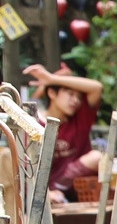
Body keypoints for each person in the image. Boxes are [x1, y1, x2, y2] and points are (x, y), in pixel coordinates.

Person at [25, 63, 104, 200]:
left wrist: (50, 79)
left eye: (79, 97)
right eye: (70, 94)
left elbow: (97, 87)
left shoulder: (80, 117)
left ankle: (57, 188)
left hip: (75, 187)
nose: (75, 101)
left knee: (96, 157)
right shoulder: (35, 123)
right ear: (51, 93)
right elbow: (27, 167)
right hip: (41, 190)